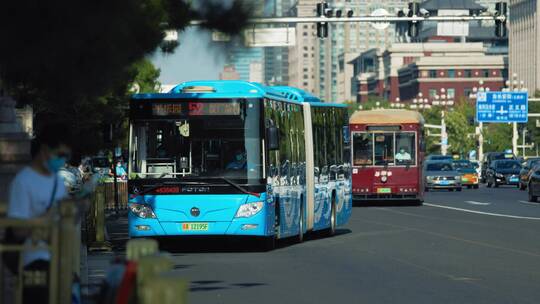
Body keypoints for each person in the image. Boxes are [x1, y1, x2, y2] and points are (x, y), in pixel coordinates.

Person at [7, 123, 71, 304]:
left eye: (66, 156)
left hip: (61, 254)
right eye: (60, 155)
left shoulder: (58, 182)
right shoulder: (23, 182)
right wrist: (47, 219)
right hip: (35, 257)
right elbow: (17, 230)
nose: (63, 161)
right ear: (44, 150)